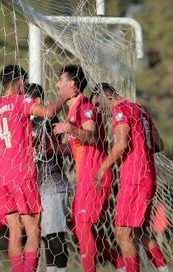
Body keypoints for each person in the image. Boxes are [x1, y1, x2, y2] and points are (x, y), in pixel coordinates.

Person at [0, 65, 76, 272]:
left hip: (0, 174)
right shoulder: (20, 101)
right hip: (20, 172)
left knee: (14, 230)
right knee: (32, 230)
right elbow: (48, 112)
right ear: (21, 83)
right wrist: (64, 97)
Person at [53, 65, 125, 272]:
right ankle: (121, 266)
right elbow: (79, 144)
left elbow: (91, 136)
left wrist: (70, 129)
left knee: (84, 227)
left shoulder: (85, 106)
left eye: (61, 80)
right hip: (86, 176)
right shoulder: (74, 110)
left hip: (95, 175)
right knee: (80, 225)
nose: (57, 85)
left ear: (72, 84)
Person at [94, 83, 169, 272]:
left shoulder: (120, 110)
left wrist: (103, 167)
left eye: (98, 104)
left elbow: (121, 144)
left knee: (122, 232)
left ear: (108, 95)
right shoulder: (139, 109)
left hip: (134, 177)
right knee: (140, 232)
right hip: (148, 175)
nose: (98, 110)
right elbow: (159, 144)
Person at [25, 83, 70, 272]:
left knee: (55, 235)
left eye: (25, 99)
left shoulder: (48, 121)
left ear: (35, 100)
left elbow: (65, 148)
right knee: (42, 235)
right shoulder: (24, 121)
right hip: (34, 185)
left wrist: (49, 148)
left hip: (52, 183)